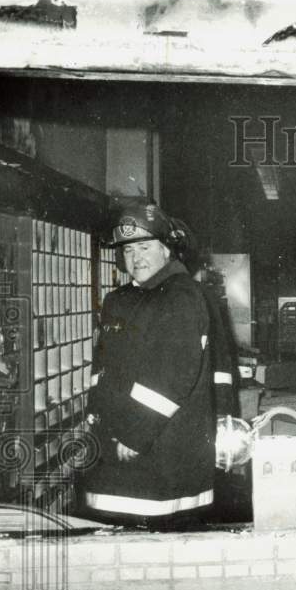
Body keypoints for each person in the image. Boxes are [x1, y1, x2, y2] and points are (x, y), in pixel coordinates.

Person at [80, 201, 218, 527]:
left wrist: (134, 434)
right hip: (115, 442)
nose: (136, 258)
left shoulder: (181, 296)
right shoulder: (119, 300)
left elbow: (171, 374)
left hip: (157, 447)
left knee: (155, 543)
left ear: (167, 250)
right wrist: (94, 411)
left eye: (145, 247)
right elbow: (104, 365)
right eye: (128, 251)